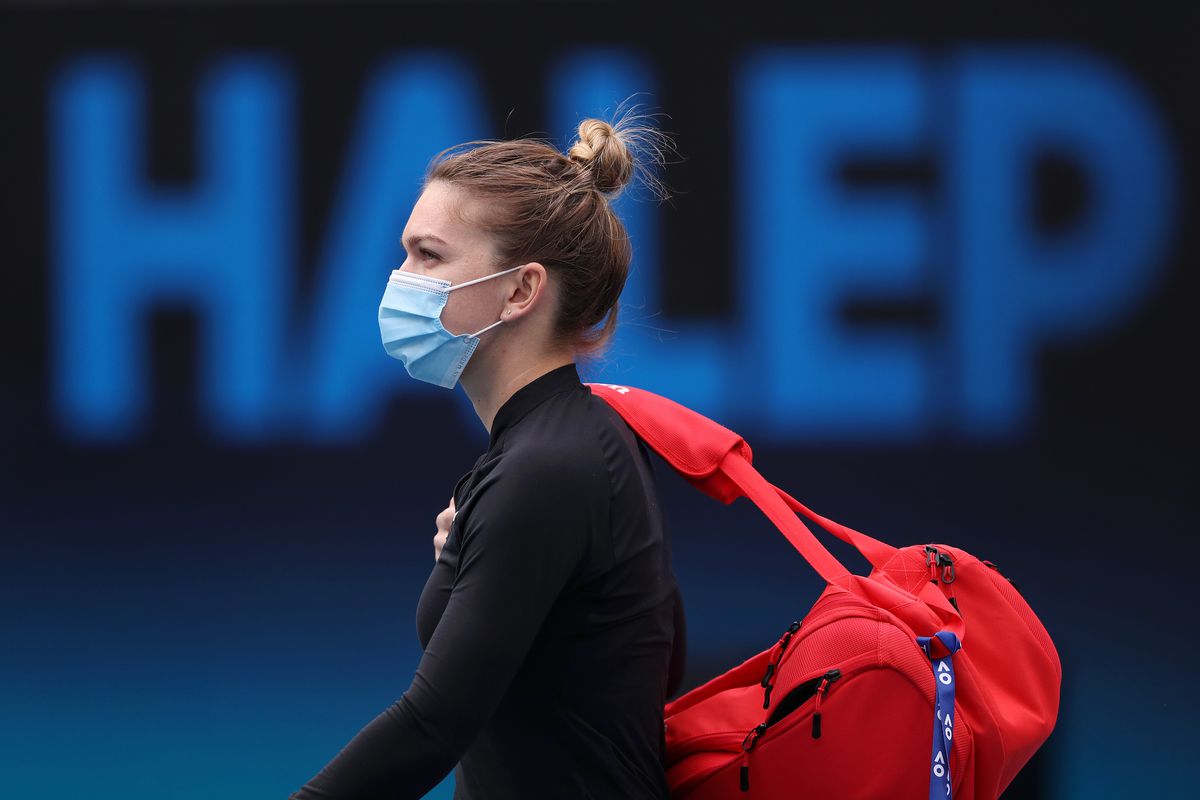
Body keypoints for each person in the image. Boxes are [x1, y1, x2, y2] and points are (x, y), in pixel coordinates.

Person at [289, 107, 687, 799]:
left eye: (429, 255)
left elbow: (432, 725)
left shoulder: (548, 467)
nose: (399, 277)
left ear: (522, 289)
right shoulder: (565, 446)